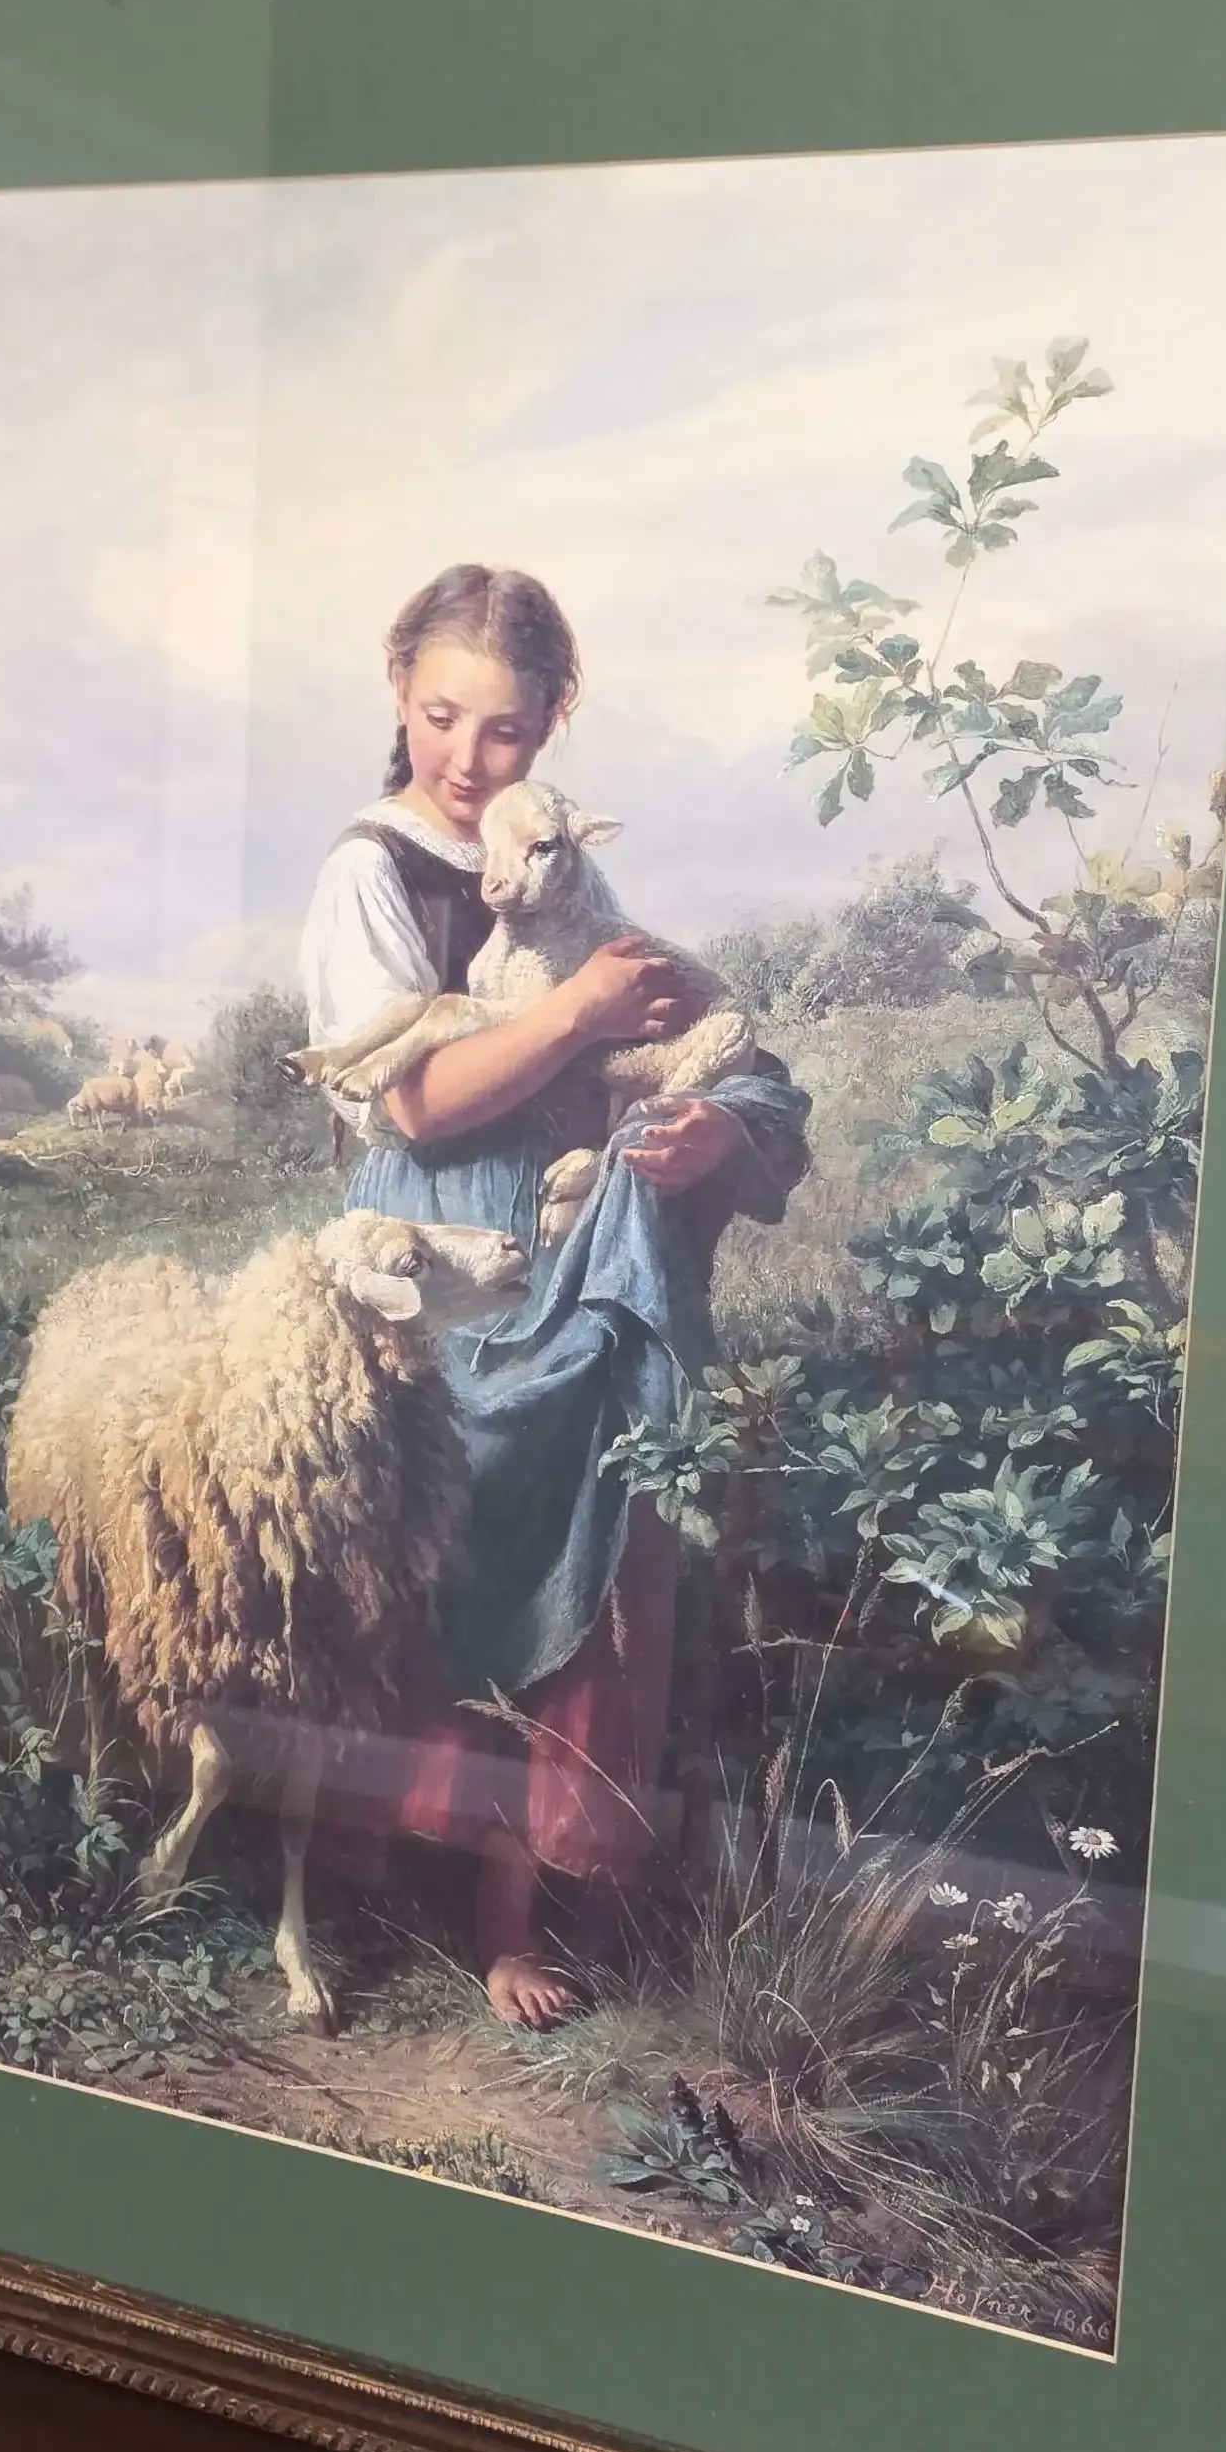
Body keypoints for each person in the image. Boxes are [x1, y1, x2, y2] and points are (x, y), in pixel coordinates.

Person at [298, 563, 809, 2027]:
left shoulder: (564, 867)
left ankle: (550, 1909)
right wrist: (584, 1014)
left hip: (576, 1258)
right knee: (458, 1573)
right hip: (439, 1276)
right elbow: (414, 1104)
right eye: (441, 717)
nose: (468, 759)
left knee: (588, 1568)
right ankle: (430, 1895)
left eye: (508, 730)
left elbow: (703, 1033)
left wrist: (715, 1129)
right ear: (399, 692)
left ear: (554, 721)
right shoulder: (370, 874)